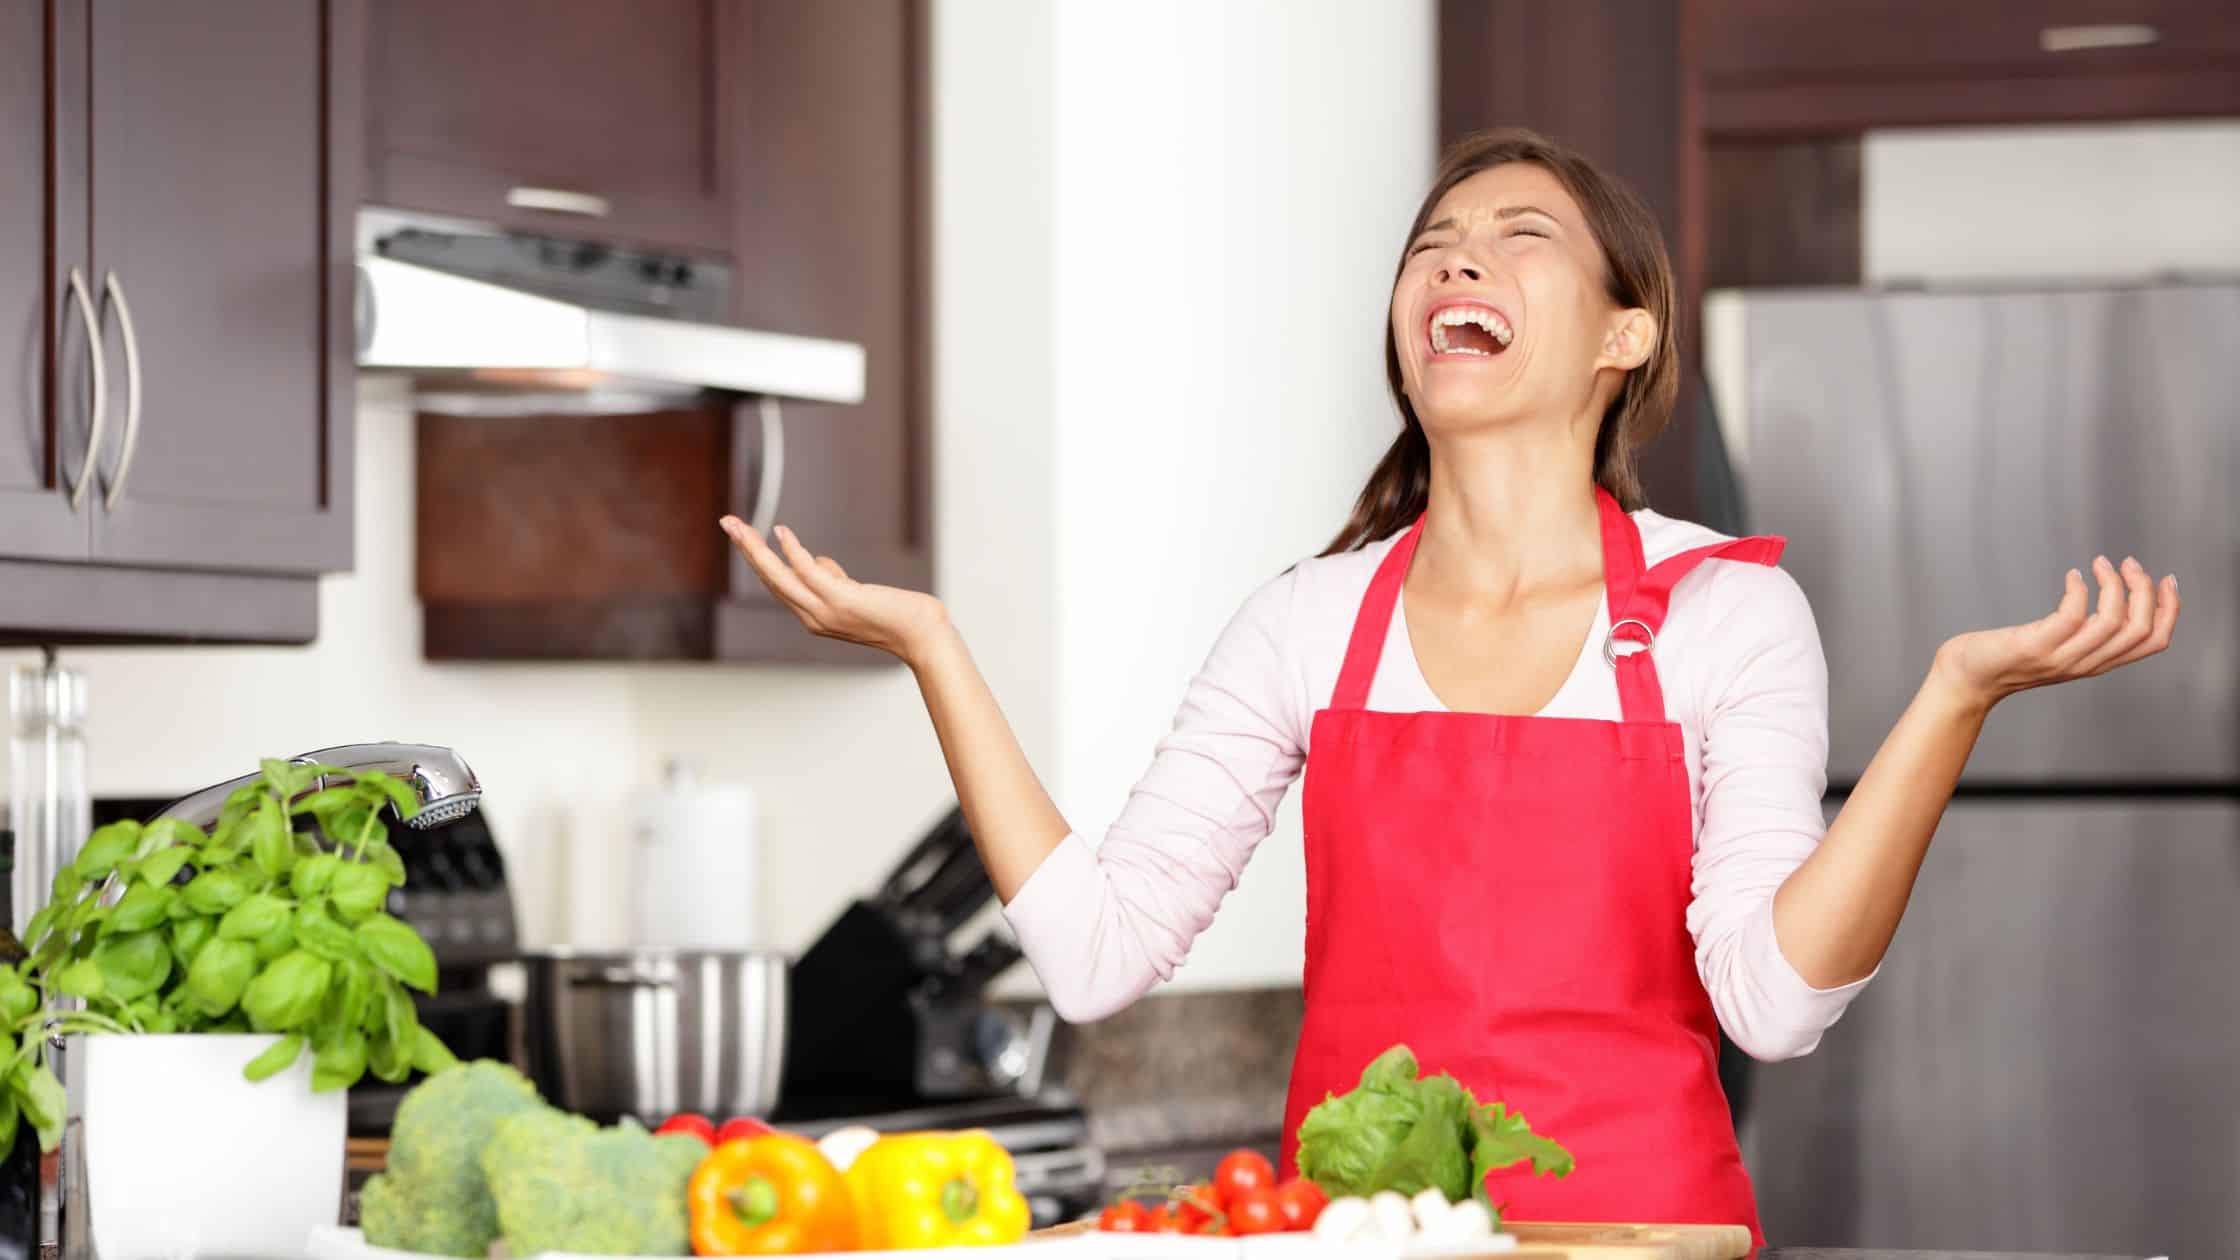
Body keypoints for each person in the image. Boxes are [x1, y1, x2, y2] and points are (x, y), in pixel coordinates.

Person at [718, 128, 2179, 1238]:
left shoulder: (1722, 612)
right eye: (1435, 245)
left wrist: (1950, 703)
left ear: (1624, 337)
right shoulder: (1309, 621)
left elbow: (1776, 1004)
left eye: (1519, 236)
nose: (1459, 261)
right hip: (1362, 1243)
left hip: (1637, 1242)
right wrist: (939, 654)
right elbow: (1099, 958)